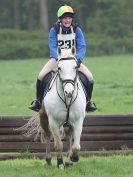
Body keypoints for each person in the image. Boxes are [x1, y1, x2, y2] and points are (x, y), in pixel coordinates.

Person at [29, 5, 97, 112]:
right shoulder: (54, 30)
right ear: (60, 19)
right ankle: (38, 101)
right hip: (57, 60)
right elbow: (52, 46)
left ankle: (88, 102)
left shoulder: (76, 29)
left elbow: (82, 46)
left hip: (73, 60)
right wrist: (57, 59)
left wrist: (79, 59)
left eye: (69, 18)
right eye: (65, 18)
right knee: (41, 76)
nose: (67, 20)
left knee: (90, 77)